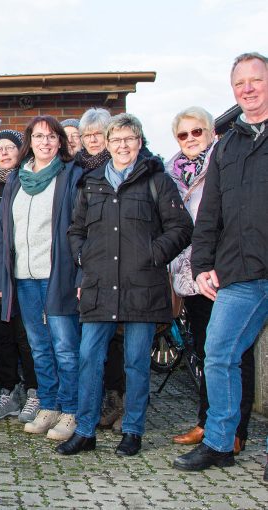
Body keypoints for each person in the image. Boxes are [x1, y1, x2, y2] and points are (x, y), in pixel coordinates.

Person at [62, 113, 193, 456]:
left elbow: (181, 228)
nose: (122, 146)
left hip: (142, 287)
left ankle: (132, 431)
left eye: (128, 139)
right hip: (99, 286)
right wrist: (83, 258)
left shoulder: (158, 181)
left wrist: (153, 254)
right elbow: (75, 231)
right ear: (106, 144)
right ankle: (85, 430)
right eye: (115, 140)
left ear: (139, 142)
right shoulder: (90, 183)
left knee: (136, 362)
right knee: (89, 357)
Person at [174, 52, 268, 474]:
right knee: (218, 352)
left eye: (256, 80)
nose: (247, 88)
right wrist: (202, 265)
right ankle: (219, 443)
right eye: (240, 83)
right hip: (241, 272)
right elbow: (209, 213)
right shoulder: (227, 145)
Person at [167, 107, 252, 455]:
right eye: (183, 134)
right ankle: (207, 422)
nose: (190, 140)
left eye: (197, 132)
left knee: (234, 353)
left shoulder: (223, 165)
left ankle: (235, 429)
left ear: (211, 133)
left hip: (224, 271)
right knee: (205, 352)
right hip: (191, 276)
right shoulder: (173, 174)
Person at [0, 116, 83, 442]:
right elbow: (5, 230)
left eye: (51, 137)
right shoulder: (16, 179)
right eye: (39, 136)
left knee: (65, 347)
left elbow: (79, 228)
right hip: (24, 277)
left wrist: (79, 273)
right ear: (29, 142)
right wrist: (2, 277)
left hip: (56, 275)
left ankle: (70, 410)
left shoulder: (71, 176)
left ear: (60, 142)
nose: (45, 142)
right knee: (39, 347)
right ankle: (48, 404)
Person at [0, 130, 39, 423]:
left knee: (25, 337)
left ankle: (34, 392)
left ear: (21, 151)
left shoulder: (30, 182)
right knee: (2, 338)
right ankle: (8, 390)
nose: (4, 152)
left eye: (9, 148)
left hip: (24, 274)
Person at [74, 107, 126, 431]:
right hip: (89, 269)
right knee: (93, 345)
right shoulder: (77, 171)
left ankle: (121, 404)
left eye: (98, 134)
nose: (92, 140)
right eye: (87, 135)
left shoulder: (120, 168)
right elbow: (75, 225)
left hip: (121, 270)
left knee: (120, 342)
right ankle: (100, 405)